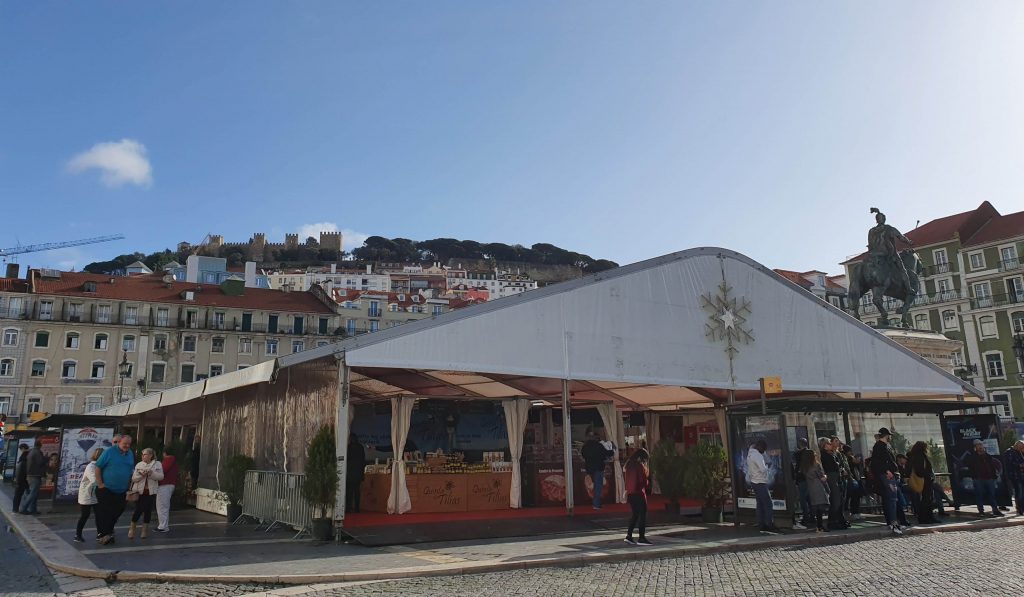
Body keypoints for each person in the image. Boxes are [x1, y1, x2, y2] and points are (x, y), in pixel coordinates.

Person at [95, 435, 135, 545]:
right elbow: (98, 467)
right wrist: (100, 484)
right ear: (119, 442)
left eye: (129, 444)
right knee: (105, 513)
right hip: (107, 489)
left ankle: (107, 533)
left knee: (118, 511)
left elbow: (131, 469)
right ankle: (104, 535)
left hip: (122, 489)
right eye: (124, 443)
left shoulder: (130, 453)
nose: (127, 446)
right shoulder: (109, 452)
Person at [870, 427, 903, 535]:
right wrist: (887, 471)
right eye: (888, 436)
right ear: (886, 435)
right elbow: (878, 462)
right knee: (892, 500)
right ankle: (893, 523)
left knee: (890, 499)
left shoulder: (882, 446)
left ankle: (892, 522)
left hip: (887, 475)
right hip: (887, 476)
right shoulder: (880, 446)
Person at [128, 447, 164, 539]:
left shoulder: (157, 464)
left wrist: (151, 474)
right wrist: (141, 475)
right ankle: (132, 529)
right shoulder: (139, 464)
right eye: (142, 454)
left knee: (147, 511)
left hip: (150, 491)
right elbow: (133, 478)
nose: (143, 456)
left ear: (151, 455)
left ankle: (144, 531)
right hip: (139, 491)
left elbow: (161, 477)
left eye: (145, 454)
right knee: (138, 510)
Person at [747, 440, 778, 534]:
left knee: (760, 504)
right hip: (760, 481)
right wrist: (767, 467)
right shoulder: (757, 455)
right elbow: (763, 469)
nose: (764, 451)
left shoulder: (750, 454)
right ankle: (769, 524)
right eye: (763, 449)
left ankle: (761, 524)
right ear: (759, 446)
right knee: (768, 504)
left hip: (753, 481)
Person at [75, 448, 106, 543]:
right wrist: (105, 483)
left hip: (96, 494)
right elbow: (95, 480)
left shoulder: (100, 466)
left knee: (99, 514)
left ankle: (100, 533)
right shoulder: (91, 467)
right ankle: (78, 535)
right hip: (87, 494)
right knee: (85, 515)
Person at [965, 439, 1002, 517]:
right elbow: (970, 467)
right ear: (975, 447)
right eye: (978, 445)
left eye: (981, 445)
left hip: (989, 478)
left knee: (992, 495)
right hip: (978, 478)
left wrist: (994, 476)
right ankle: (981, 511)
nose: (980, 447)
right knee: (979, 495)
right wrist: (974, 475)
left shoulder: (987, 456)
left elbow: (992, 465)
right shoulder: (972, 457)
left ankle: (995, 510)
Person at [623, 448, 652, 546]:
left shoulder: (628, 465)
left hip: (630, 493)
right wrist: (647, 481)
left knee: (635, 514)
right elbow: (642, 481)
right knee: (642, 515)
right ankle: (641, 538)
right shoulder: (639, 466)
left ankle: (629, 535)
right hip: (638, 493)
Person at [907, 441, 940, 524]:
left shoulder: (916, 456)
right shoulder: (920, 457)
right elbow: (920, 470)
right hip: (925, 480)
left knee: (927, 499)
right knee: (926, 500)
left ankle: (928, 517)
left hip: (925, 480)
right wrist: (927, 475)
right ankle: (925, 517)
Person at [819, 438, 848, 530]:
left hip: (836, 477)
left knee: (838, 500)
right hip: (831, 478)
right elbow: (834, 465)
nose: (830, 444)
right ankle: (832, 522)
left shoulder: (831, 454)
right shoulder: (824, 454)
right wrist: (838, 465)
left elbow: (838, 464)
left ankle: (837, 520)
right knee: (835, 500)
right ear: (825, 445)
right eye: (828, 443)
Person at [581, 430, 612, 510]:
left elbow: (583, 455)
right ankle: (596, 504)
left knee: (591, 485)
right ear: (596, 438)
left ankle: (593, 502)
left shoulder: (585, 446)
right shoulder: (599, 446)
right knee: (598, 486)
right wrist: (612, 451)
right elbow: (606, 453)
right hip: (598, 467)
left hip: (589, 468)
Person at [801, 449, 830, 532]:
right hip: (819, 486)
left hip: (811, 487)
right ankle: (820, 526)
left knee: (815, 507)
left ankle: (818, 526)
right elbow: (822, 478)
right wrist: (826, 476)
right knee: (820, 508)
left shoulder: (805, 467)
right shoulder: (816, 465)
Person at [792, 438, 815, 530]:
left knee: (803, 498)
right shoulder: (810, 452)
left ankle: (806, 517)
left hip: (801, 477)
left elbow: (796, 465)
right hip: (810, 477)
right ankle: (812, 516)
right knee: (809, 498)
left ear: (799, 444)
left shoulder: (797, 454)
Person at [20, 439, 47, 515]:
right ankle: (24, 508)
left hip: (30, 475)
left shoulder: (31, 451)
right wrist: (45, 458)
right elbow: (40, 462)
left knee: (34, 493)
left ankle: (33, 509)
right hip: (35, 475)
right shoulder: (37, 452)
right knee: (33, 493)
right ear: (40, 445)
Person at [155, 448, 179, 533]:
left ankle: (163, 526)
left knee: (162, 506)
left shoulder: (168, 459)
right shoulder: (174, 460)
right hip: (169, 484)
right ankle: (163, 525)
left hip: (165, 485)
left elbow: (163, 470)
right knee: (163, 505)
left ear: (164, 453)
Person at [1001, 440, 1024, 516]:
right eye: (1021, 448)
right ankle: (1020, 509)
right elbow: (1008, 464)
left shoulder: (1019, 452)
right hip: (1014, 476)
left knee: (1022, 492)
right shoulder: (1008, 452)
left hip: (1020, 475)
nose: (1022, 449)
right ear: (1017, 446)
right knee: (1019, 493)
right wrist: (1019, 465)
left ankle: (1022, 508)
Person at [346, 433, 367, 514]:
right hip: (358, 473)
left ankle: (348, 508)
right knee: (357, 491)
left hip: (350, 472)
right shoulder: (361, 447)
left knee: (349, 492)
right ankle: (357, 508)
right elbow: (363, 460)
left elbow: (347, 458)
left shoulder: (349, 448)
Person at [844, 446, 865, 521]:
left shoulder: (850, 459)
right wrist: (856, 461)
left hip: (856, 479)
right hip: (852, 479)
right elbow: (854, 465)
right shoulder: (848, 459)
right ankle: (854, 512)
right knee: (854, 497)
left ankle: (856, 512)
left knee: (856, 497)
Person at [12, 444, 30, 512]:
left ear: (23, 448)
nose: (20, 451)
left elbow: (20, 469)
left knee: (18, 495)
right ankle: (22, 509)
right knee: (25, 494)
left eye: (20, 449)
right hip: (24, 479)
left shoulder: (24, 456)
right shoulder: (26, 456)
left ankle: (15, 509)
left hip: (21, 479)